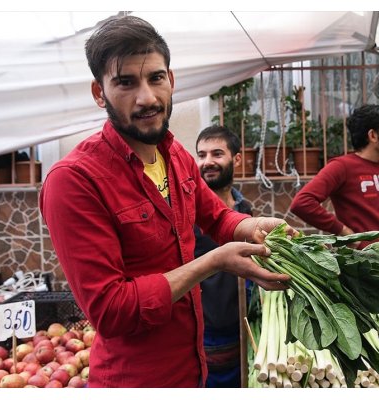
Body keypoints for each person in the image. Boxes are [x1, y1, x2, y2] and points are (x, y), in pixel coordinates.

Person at [39, 16, 292, 388]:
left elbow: (217, 217)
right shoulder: (74, 181)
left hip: (193, 371)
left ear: (171, 80)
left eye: (155, 78)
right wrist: (212, 262)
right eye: (125, 82)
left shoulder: (176, 156)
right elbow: (111, 310)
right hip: (136, 381)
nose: (147, 98)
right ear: (99, 93)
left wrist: (249, 225)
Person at [289, 104, 379, 270]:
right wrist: (344, 232)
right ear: (372, 135)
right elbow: (302, 202)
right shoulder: (342, 167)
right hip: (367, 267)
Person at [194, 125, 251, 388]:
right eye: (201, 155)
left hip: (241, 330)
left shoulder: (245, 210)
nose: (208, 162)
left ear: (236, 159)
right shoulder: (187, 216)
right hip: (204, 334)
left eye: (217, 154)